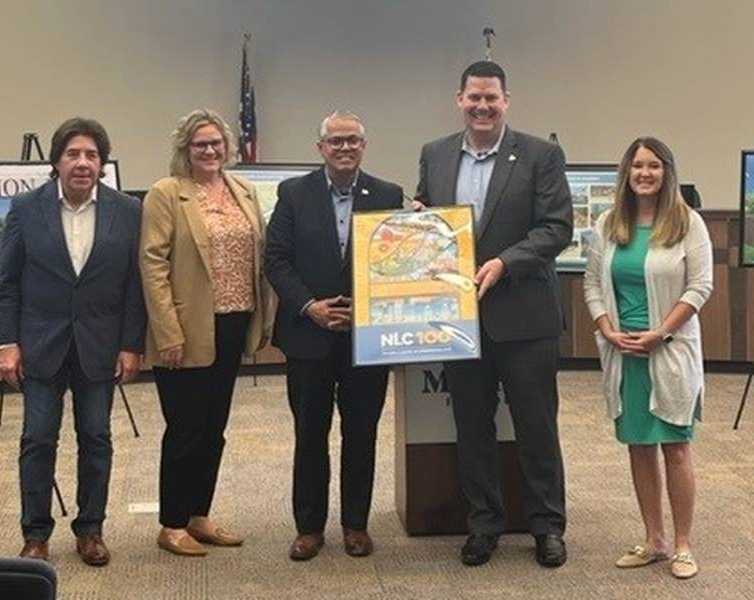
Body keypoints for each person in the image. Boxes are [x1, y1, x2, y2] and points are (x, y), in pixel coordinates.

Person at [414, 61, 573, 567]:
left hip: (525, 317)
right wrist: (418, 217)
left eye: (492, 98)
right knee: (472, 426)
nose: (482, 106)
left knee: (536, 427)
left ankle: (547, 525)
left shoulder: (540, 155)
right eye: (473, 98)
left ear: (508, 100)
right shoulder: (435, 154)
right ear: (458, 99)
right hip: (458, 320)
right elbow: (429, 211)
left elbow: (556, 228)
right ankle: (484, 524)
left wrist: (506, 262)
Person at [0, 117, 146, 566]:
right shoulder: (26, 208)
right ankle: (35, 534)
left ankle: (91, 531)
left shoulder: (128, 210)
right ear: (57, 161)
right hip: (41, 345)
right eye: (73, 154)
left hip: (100, 345)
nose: (82, 163)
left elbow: (134, 286)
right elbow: (8, 283)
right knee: (38, 439)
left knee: (96, 438)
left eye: (92, 155)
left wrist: (131, 344)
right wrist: (7, 343)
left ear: (102, 163)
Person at [265, 111, 403, 560]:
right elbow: (277, 260)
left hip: (367, 340)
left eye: (354, 141)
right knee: (310, 434)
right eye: (336, 141)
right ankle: (309, 527)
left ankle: (355, 525)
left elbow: (398, 261)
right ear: (320, 147)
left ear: (365, 146)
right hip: (309, 337)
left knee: (361, 433)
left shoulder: (387, 194)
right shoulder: (294, 193)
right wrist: (311, 308)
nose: (345, 148)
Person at [140, 108, 274, 556]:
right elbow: (153, 264)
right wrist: (167, 331)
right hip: (186, 326)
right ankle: (172, 523)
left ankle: (199, 515)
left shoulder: (243, 190)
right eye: (201, 144)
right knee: (185, 427)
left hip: (235, 322)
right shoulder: (167, 193)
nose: (211, 150)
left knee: (214, 426)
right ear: (186, 149)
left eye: (217, 143)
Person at [583, 137, 712, 579]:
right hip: (625, 354)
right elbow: (593, 286)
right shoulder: (607, 223)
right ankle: (654, 539)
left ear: (666, 172)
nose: (644, 173)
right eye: (637, 166)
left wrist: (660, 332)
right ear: (627, 173)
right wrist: (607, 330)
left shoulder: (688, 223)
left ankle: (682, 545)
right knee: (639, 447)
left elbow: (700, 288)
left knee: (676, 447)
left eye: (653, 166)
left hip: (670, 350)